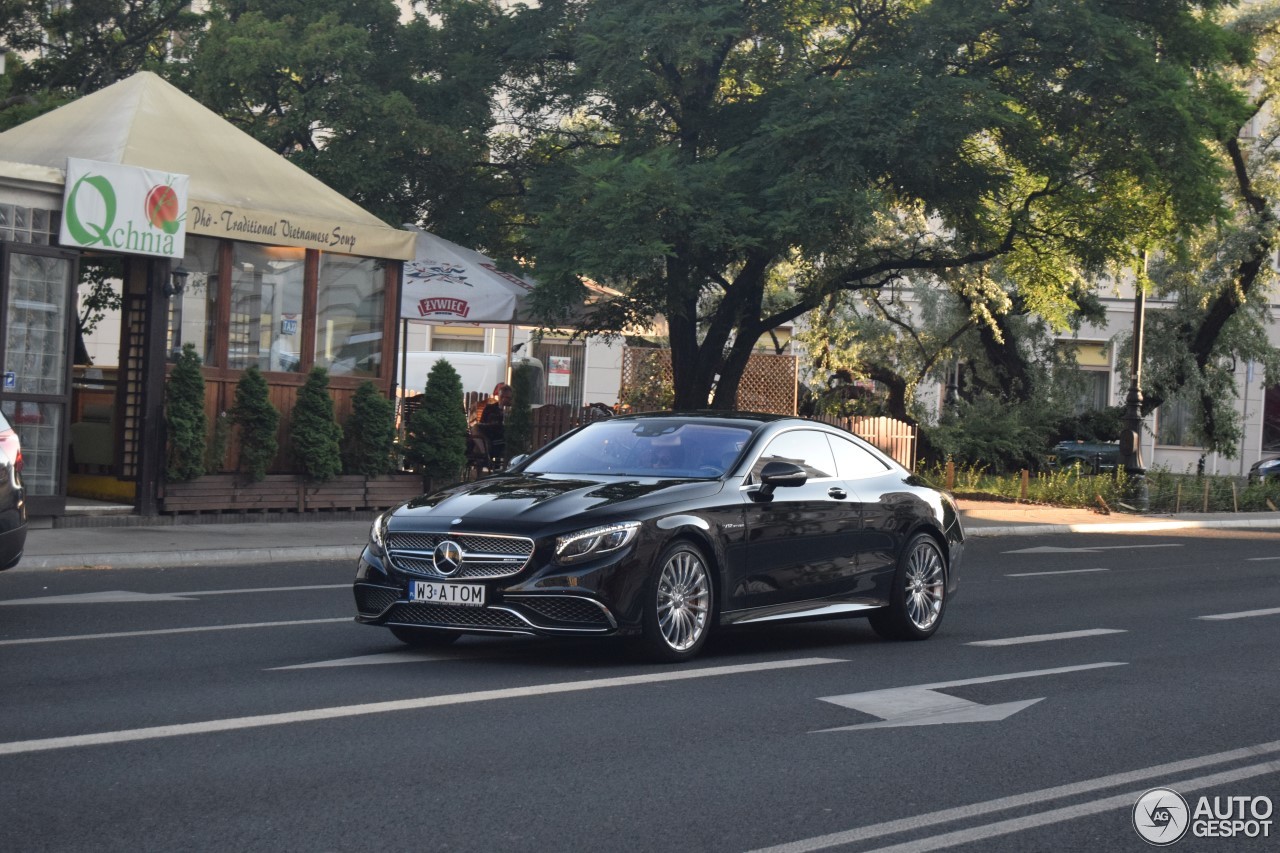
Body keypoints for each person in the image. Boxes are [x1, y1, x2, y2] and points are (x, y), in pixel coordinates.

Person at [475, 383, 512, 463]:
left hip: (501, 436)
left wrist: (504, 411)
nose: (504, 400)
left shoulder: (512, 410)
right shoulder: (489, 408)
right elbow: (482, 422)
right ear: (499, 396)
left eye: (507, 398)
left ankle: (484, 456)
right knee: (475, 428)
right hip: (488, 433)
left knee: (477, 447)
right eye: (502, 397)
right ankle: (485, 454)